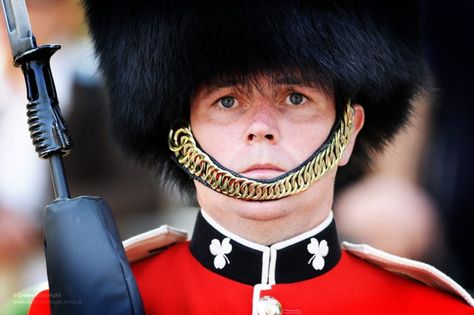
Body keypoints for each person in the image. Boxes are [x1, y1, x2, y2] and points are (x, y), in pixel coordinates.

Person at [28, 1, 474, 314]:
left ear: (349, 131)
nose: (261, 127)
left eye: (295, 98)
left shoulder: (431, 310)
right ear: (181, 134)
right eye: (227, 101)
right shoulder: (76, 305)